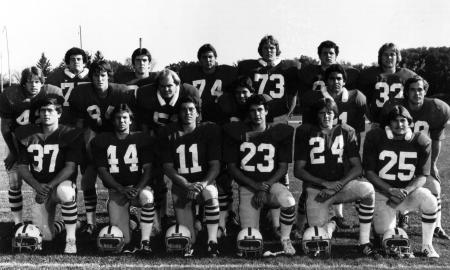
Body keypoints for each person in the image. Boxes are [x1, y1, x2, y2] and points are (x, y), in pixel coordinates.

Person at [294, 98, 377, 258]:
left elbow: (357, 167)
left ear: (335, 114)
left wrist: (337, 184)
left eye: (330, 112)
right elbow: (298, 170)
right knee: (318, 234)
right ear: (316, 115)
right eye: (322, 113)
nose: (326, 116)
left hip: (341, 187)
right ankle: (332, 225)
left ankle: (364, 241)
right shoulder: (305, 132)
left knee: (367, 190)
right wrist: (324, 183)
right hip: (318, 190)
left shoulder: (347, 131)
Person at [223, 94, 297, 256]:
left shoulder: (280, 132)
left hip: (270, 185)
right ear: (248, 113)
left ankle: (285, 238)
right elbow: (233, 168)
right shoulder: (237, 133)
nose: (256, 114)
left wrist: (264, 188)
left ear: (266, 111)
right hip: (248, 186)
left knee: (288, 200)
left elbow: (283, 168)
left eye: (260, 110)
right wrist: (255, 186)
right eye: (253, 110)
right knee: (250, 237)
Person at [364, 105, 439, 258]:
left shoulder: (421, 140)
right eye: (395, 121)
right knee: (384, 231)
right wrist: (389, 190)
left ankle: (427, 245)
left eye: (403, 120)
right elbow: (369, 172)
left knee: (430, 201)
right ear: (388, 124)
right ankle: (380, 225)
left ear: (409, 122)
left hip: (407, 193)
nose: (400, 125)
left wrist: (407, 190)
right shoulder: (375, 137)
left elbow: (422, 175)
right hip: (383, 193)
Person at [68, 60, 134, 235]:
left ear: (109, 76)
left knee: (121, 177)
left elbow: (127, 118)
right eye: (96, 75)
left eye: (103, 75)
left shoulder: (120, 92)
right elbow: (80, 124)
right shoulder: (81, 93)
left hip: (115, 139)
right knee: (88, 179)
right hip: (92, 139)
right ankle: (91, 221)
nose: (99, 79)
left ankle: (127, 213)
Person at [382, 76, 450, 239]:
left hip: (420, 159)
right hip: (397, 155)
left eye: (420, 89)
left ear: (425, 91)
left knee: (434, 186)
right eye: (412, 89)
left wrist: (432, 164)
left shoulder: (437, 108)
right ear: (406, 92)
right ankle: (400, 214)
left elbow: (435, 140)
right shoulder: (394, 106)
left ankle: (437, 226)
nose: (416, 93)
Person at [15, 96, 82, 254]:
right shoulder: (27, 134)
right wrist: (38, 187)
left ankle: (71, 240)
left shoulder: (69, 133)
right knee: (45, 236)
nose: (46, 114)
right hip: (41, 189)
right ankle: (68, 224)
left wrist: (49, 186)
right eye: (43, 110)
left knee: (66, 192)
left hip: (60, 186)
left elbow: (70, 168)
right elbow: (23, 167)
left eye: (50, 110)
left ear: (59, 113)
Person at [0, 67, 62, 231]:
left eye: (37, 81)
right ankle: (18, 222)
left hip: (42, 142)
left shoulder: (52, 92)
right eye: (30, 81)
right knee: (14, 182)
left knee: (55, 181)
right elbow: (5, 128)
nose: (34, 85)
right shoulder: (10, 95)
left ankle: (61, 221)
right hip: (16, 140)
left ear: (43, 82)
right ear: (23, 83)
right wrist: (14, 152)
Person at [159, 95, 221, 257]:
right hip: (182, 189)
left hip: (203, 185)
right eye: (184, 110)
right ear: (178, 113)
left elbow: (215, 165)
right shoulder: (169, 133)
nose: (188, 113)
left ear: (198, 113)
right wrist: (187, 184)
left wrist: (202, 184)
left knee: (211, 193)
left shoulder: (208, 130)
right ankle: (196, 225)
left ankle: (212, 241)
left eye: (191, 109)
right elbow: (168, 168)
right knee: (189, 239)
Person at [92, 104, 155, 253]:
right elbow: (102, 171)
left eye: (125, 118)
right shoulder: (102, 140)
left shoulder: (141, 138)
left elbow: (148, 169)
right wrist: (121, 188)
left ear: (131, 120)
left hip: (138, 189)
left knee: (147, 196)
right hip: (117, 191)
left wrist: (137, 188)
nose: (122, 121)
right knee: (123, 239)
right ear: (113, 121)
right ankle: (132, 221)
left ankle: (145, 241)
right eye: (118, 118)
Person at [238, 35, 301, 120]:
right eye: (265, 48)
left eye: (272, 48)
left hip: (280, 113)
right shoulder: (250, 68)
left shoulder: (289, 67)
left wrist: (289, 113)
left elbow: (293, 94)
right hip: (257, 113)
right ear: (261, 50)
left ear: (277, 49)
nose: (269, 51)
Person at [358, 43, 416, 124]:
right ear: (380, 57)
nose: (389, 57)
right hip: (378, 121)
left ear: (397, 57)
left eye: (392, 54)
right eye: (385, 54)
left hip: (400, 122)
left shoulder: (408, 75)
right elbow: (362, 100)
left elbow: (418, 94)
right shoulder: (370, 74)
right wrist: (370, 117)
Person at [180, 43, 237, 123]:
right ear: (199, 59)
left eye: (210, 56)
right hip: (198, 114)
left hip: (219, 114)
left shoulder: (225, 73)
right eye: (204, 57)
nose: (208, 60)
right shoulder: (191, 73)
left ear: (215, 58)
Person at [298, 40, 359, 112]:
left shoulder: (346, 73)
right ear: (319, 56)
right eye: (325, 53)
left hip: (340, 111)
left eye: (331, 53)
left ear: (336, 56)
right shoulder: (309, 72)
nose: (328, 56)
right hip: (315, 111)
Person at [46, 47, 90, 125]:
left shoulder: (92, 77)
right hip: (65, 121)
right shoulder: (57, 77)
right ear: (68, 63)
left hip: (88, 119)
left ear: (84, 63)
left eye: (79, 59)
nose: (76, 61)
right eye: (73, 59)